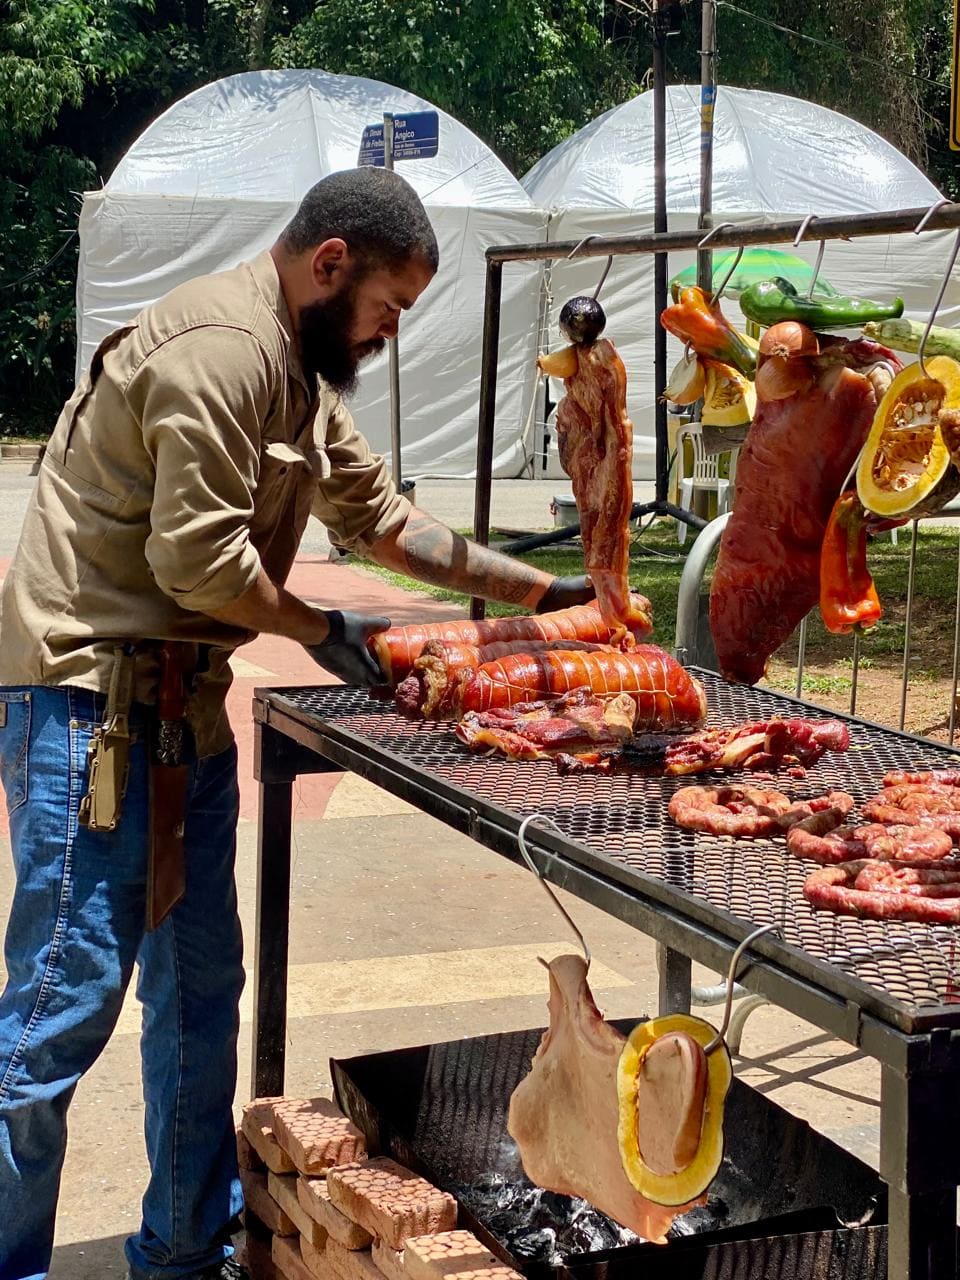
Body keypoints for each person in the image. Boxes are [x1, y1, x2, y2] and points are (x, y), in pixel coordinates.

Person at [0, 166, 592, 1280]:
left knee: (199, 998)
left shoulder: (300, 378)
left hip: (182, 714)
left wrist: (542, 595)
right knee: (53, 1019)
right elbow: (198, 562)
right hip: (90, 714)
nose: (389, 332)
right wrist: (323, 629)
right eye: (388, 307)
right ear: (330, 264)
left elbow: (382, 519)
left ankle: (183, 1252)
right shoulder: (222, 351)